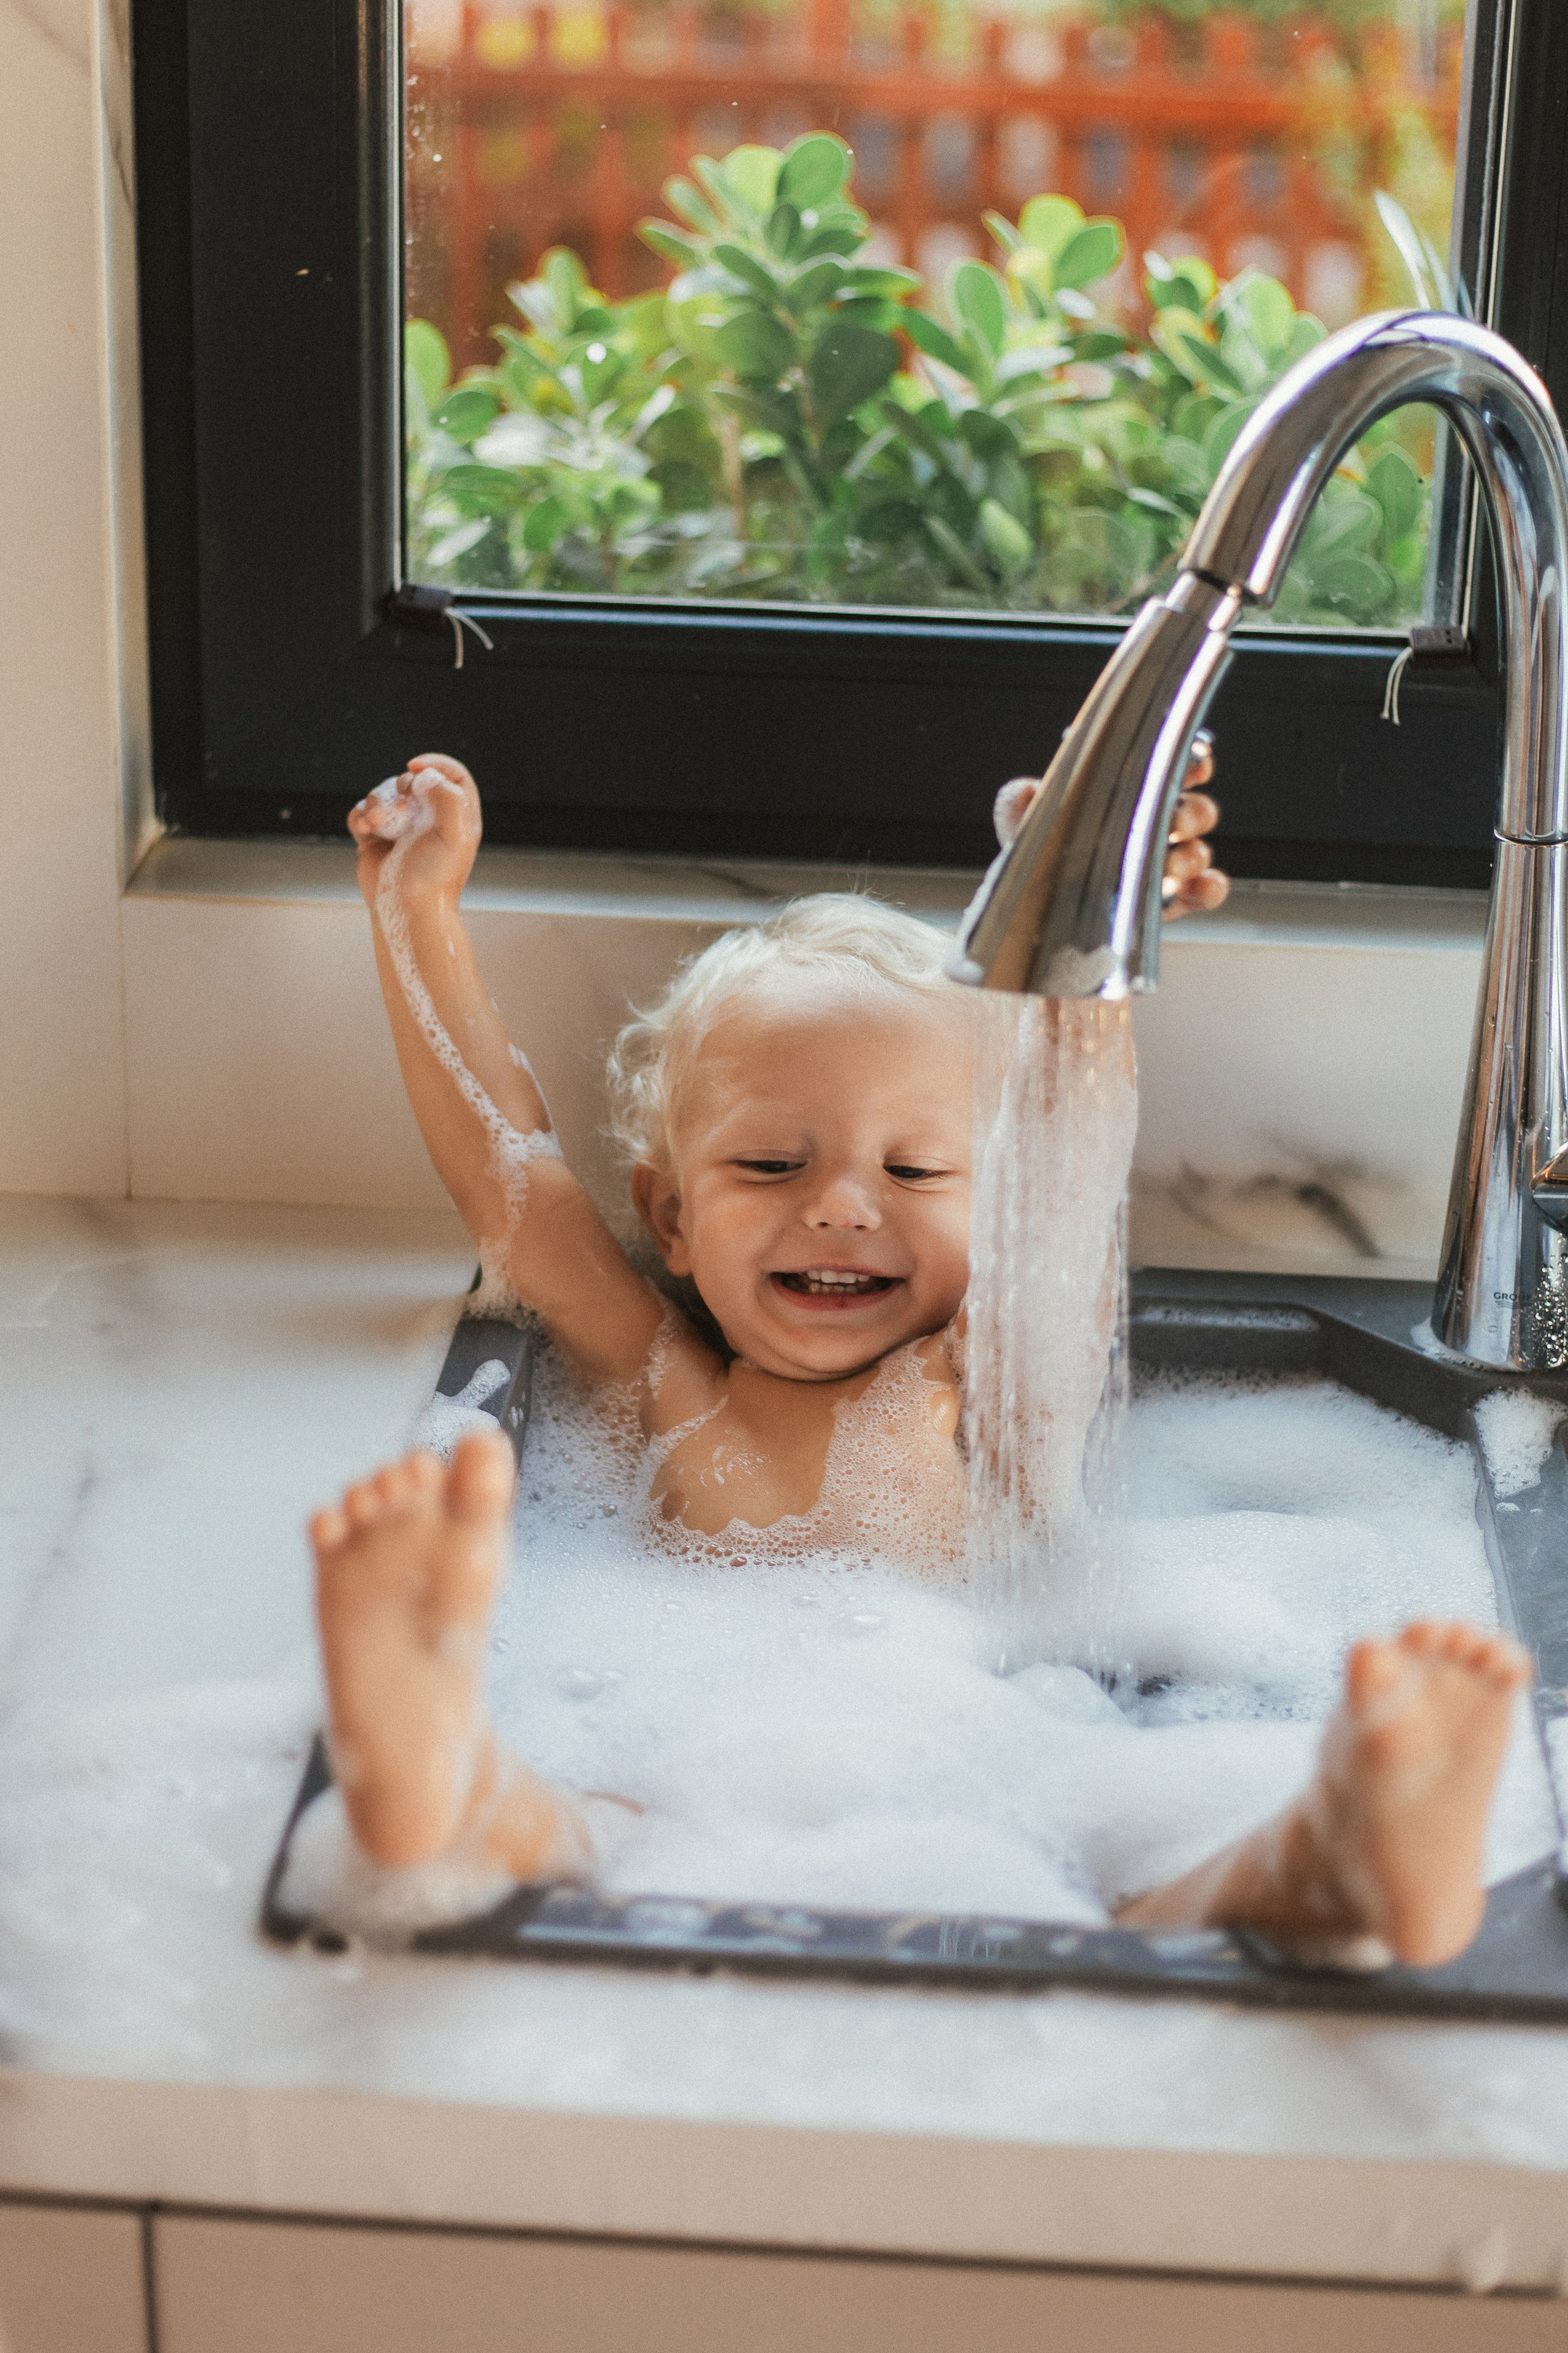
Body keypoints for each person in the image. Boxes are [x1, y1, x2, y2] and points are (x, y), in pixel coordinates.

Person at [310, 749, 1530, 1971]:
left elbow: (1064, 1177)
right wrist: (412, 913)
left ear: (985, 1212)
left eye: (912, 1170)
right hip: (695, 1762)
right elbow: (509, 1181)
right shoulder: (664, 1386)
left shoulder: (981, 1380)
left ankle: (1331, 1859)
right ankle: (442, 1777)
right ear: (669, 1214)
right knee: (577, 1826)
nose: (842, 1207)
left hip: (1013, 1758)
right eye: (771, 1165)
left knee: (1152, 1879)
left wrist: (1072, 934)